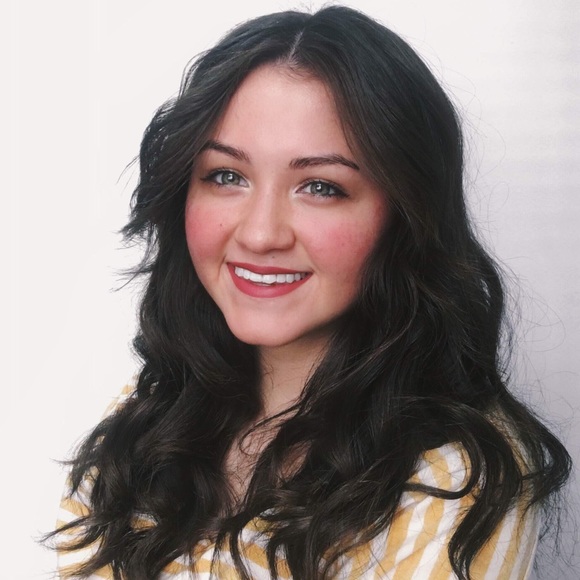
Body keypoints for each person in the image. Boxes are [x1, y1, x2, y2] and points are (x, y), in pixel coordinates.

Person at [48, 5, 571, 579]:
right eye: (227, 176)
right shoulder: (149, 414)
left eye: (320, 186)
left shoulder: (456, 477)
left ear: (404, 215)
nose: (259, 233)